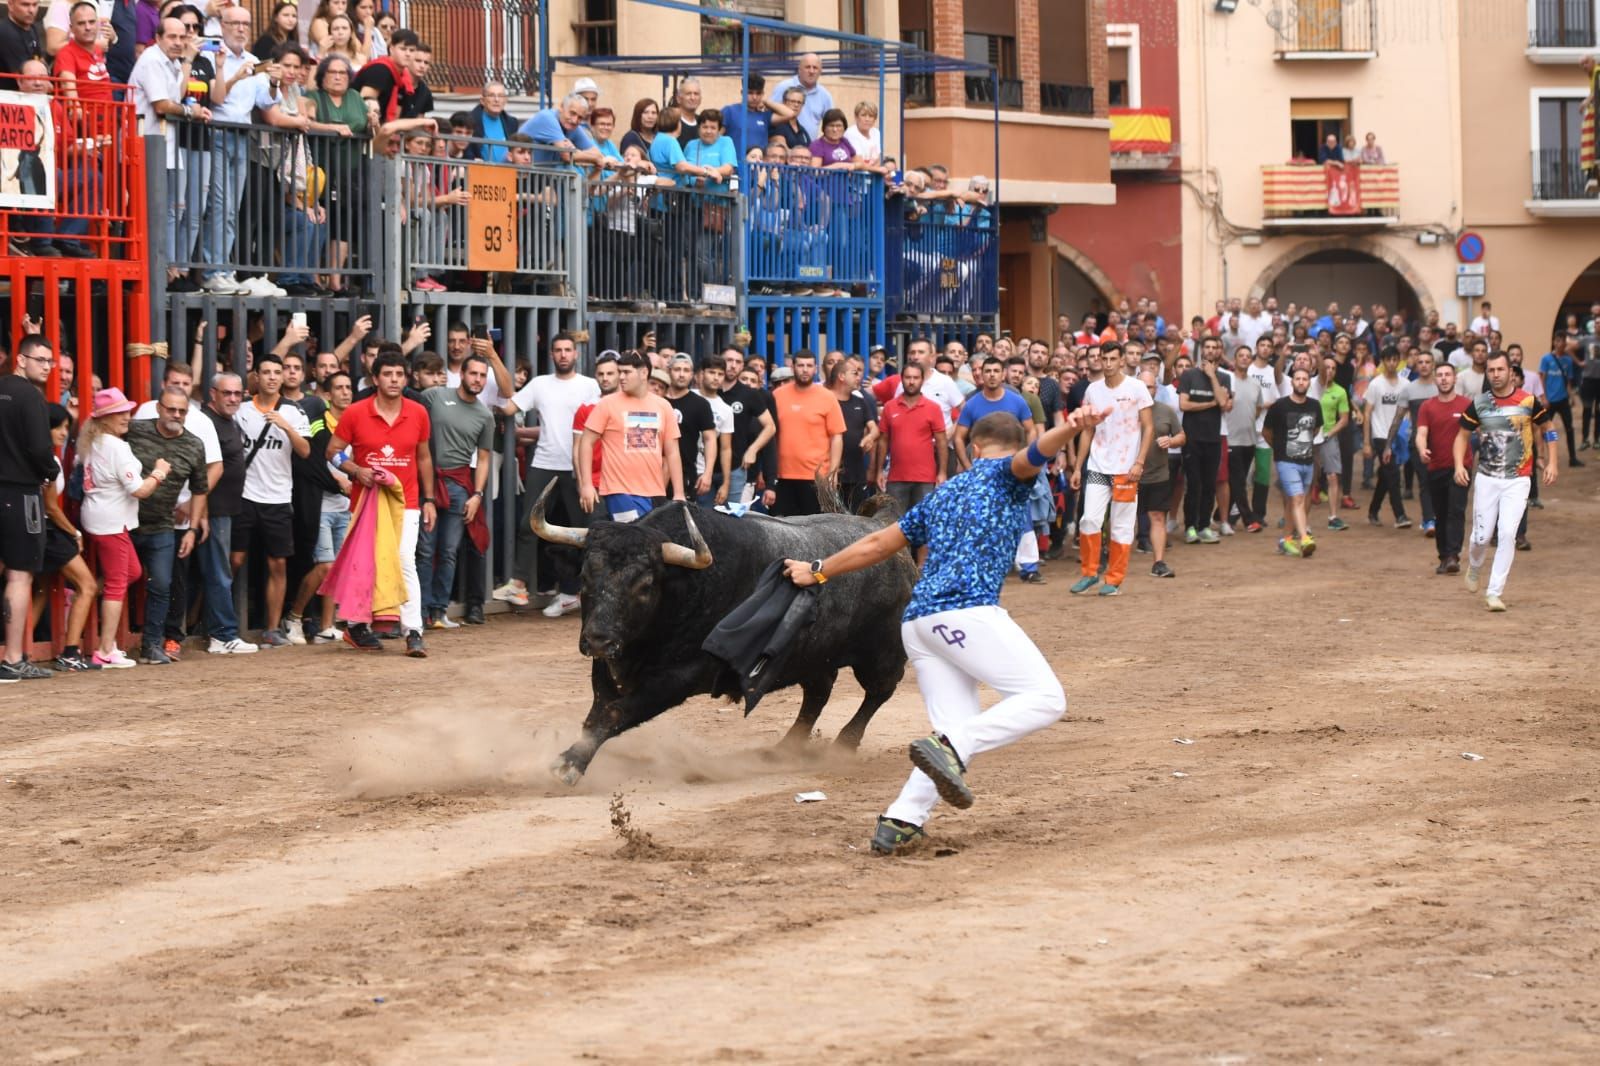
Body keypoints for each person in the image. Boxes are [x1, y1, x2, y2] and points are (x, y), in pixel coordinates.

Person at [781, 403, 1108, 855]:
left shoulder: (944, 493)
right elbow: (1033, 455)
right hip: (966, 613)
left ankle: (900, 820)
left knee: (954, 733)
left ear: (971, 448)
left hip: (918, 624)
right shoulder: (1005, 474)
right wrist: (1068, 430)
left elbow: (877, 543)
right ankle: (951, 746)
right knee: (1043, 700)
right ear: (1007, 448)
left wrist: (818, 570)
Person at [327, 349, 435, 655]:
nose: (394, 380)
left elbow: (424, 458)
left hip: (407, 502)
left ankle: (413, 630)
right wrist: (355, 470)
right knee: (365, 565)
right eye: (387, 374)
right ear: (375, 378)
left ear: (407, 378)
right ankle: (358, 627)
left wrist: (428, 499)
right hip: (366, 504)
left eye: (399, 374)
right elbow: (332, 452)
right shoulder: (355, 412)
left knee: (404, 561)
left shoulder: (418, 412)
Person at [497, 332, 598, 616]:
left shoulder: (590, 386)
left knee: (582, 532)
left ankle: (583, 590)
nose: (564, 354)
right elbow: (508, 407)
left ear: (576, 354)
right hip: (544, 462)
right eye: (558, 350)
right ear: (551, 354)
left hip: (579, 467)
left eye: (568, 349)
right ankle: (519, 584)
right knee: (529, 524)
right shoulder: (540, 384)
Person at [1456, 352, 1557, 611]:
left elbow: (1549, 428)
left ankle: (1494, 592)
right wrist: (1459, 464)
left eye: (1500, 369)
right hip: (1487, 478)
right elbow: (1462, 436)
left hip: (1518, 479)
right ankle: (1475, 566)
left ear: (1510, 371)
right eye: (1491, 371)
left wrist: (1552, 462)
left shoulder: (1528, 401)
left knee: (1508, 534)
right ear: (1487, 373)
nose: (1496, 375)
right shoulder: (1479, 403)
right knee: (1481, 536)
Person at [78, 387, 171, 669]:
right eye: (118, 413)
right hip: (111, 522)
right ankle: (105, 649)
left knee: (132, 571)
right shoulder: (117, 447)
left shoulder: (92, 442)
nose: (126, 417)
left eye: (126, 411)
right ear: (104, 418)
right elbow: (140, 490)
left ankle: (92, 593)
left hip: (98, 518)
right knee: (119, 583)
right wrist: (159, 472)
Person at [125, 385, 209, 664]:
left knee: (161, 584)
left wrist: (193, 530)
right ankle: (107, 644)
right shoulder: (134, 429)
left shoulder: (194, 444)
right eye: (171, 409)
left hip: (163, 525)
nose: (176, 414)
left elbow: (200, 489)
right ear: (158, 408)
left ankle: (151, 646)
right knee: (117, 581)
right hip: (125, 520)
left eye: (182, 411)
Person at [232, 353, 311, 645]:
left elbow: (305, 452)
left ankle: (272, 629)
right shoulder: (241, 410)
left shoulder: (293, 411)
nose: (272, 377)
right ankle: (221, 624)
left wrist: (285, 426)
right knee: (234, 559)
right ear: (256, 377)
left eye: (277, 372)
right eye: (266, 372)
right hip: (244, 495)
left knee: (278, 564)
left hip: (278, 497)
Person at [1070, 341, 1153, 596]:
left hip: (1127, 468)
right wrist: (1077, 467)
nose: (1106, 363)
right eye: (1102, 358)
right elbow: (1088, 429)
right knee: (1089, 519)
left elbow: (1148, 426)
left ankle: (1114, 579)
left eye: (1112, 359)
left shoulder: (1137, 387)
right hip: (1098, 464)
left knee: (1121, 525)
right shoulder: (1093, 391)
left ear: (1121, 360)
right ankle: (1089, 573)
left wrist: (1139, 462)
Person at [417, 354, 493, 630]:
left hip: (460, 486)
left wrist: (478, 495)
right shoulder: (434, 396)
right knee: (425, 550)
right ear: (461, 374)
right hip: (427, 482)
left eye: (483, 376)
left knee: (448, 551)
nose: (478, 380)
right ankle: (420, 611)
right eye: (473, 374)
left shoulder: (485, 415)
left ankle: (438, 612)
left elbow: (483, 459)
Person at [1, 335, 61, 682]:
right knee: (19, 574)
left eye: (50, 361)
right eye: (40, 359)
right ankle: (11, 658)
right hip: (21, 493)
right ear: (21, 360)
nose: (47, 367)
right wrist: (49, 471)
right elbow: (41, 450)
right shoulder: (32, 399)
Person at [286, 367, 353, 642]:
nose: (346, 393)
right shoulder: (317, 422)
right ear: (326, 395)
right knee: (325, 566)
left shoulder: (354, 423)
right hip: (320, 507)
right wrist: (338, 482)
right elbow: (311, 462)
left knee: (336, 567)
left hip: (345, 508)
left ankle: (327, 626)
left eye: (349, 387)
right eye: (339, 388)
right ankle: (294, 618)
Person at [576, 350, 683, 521]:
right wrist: (586, 485)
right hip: (619, 491)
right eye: (620, 372)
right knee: (633, 540)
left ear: (643, 373)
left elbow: (672, 452)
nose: (621, 377)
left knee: (647, 544)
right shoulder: (607, 404)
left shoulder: (664, 406)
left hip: (655, 491)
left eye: (626, 372)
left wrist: (679, 493)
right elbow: (586, 443)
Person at [198, 373, 257, 654]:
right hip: (213, 510)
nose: (233, 398)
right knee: (219, 572)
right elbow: (200, 469)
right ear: (213, 394)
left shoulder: (226, 420)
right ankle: (222, 634)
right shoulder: (206, 421)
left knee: (219, 570)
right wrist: (203, 511)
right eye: (227, 393)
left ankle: (218, 631)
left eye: (237, 394)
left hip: (226, 509)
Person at [769, 350, 845, 516]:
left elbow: (837, 437)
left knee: (815, 529)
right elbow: (769, 435)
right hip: (782, 476)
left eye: (809, 365)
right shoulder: (777, 395)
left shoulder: (827, 397)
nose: (805, 369)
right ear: (793, 367)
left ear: (816, 369)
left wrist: (833, 473)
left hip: (816, 478)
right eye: (801, 365)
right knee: (783, 529)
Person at [1414, 362, 1470, 576]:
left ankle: (1453, 555)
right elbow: (1421, 433)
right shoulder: (1427, 407)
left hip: (1461, 467)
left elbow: (1479, 430)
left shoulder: (1466, 405)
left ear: (1455, 378)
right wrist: (1422, 449)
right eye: (1440, 375)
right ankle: (1443, 555)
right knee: (1441, 513)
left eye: (1448, 375)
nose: (1444, 378)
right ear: (1435, 380)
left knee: (1456, 510)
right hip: (1435, 466)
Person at [874, 361, 947, 514]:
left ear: (922, 380)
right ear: (901, 379)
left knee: (923, 522)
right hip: (896, 477)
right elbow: (883, 440)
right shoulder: (890, 406)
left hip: (926, 478)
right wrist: (879, 470)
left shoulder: (933, 408)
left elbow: (942, 442)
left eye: (916, 377)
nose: (912, 381)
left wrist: (942, 472)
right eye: (908, 377)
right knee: (893, 522)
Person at [1177, 337, 1232, 543]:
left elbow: (1224, 403)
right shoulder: (1189, 375)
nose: (1210, 350)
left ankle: (1204, 526)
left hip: (1213, 439)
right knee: (1194, 484)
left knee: (1210, 484)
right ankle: (1190, 527)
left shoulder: (1224, 378)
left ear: (1219, 351)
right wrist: (1211, 403)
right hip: (1191, 438)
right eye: (1207, 347)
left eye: (1214, 347)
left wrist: (1212, 377)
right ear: (1201, 350)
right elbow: (1184, 405)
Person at [1263, 366, 1321, 559]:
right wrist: (1279, 450)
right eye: (1298, 379)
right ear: (1292, 382)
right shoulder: (1280, 406)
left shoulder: (1315, 405)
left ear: (1309, 382)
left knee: (1294, 501)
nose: (1301, 382)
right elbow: (1267, 432)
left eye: (1305, 379)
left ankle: (1286, 540)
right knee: (1297, 499)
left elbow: (1316, 429)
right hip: (1286, 461)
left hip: (1307, 460)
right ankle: (1304, 537)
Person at [1137, 369, 1183, 579]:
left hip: (1158, 473)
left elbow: (1182, 436)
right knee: (1121, 520)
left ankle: (1158, 562)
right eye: (1143, 386)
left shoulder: (1166, 410)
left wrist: (1171, 441)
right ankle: (1111, 560)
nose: (1147, 390)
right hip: (1128, 474)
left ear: (1156, 388)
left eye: (1151, 386)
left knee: (1157, 517)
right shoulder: (1124, 410)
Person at [1362, 347, 1411, 529]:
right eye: (1388, 360)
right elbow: (1367, 413)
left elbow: (1408, 411)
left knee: (1385, 475)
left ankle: (1373, 511)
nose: (1392, 363)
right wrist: (1367, 442)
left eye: (1395, 359)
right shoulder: (1376, 384)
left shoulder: (1405, 384)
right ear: (1383, 361)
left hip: (1398, 435)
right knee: (1393, 474)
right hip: (1381, 435)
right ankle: (1400, 515)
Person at [1317, 354, 1351, 531]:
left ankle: (1333, 517)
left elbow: (1344, 419)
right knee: (1304, 477)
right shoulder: (1310, 385)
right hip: (1307, 437)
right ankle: (1290, 515)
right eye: (1326, 367)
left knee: (1332, 476)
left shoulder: (1340, 391)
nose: (1329, 371)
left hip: (1328, 436)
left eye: (1333, 368)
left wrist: (1329, 433)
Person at [1538, 333, 1583, 467]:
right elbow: (1542, 379)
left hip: (1563, 399)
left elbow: (1568, 381)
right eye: (1558, 341)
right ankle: (1547, 456)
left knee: (1569, 428)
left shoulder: (1568, 360)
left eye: (1563, 341)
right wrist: (1544, 397)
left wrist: (1572, 396)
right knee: (1546, 430)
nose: (1560, 344)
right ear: (1554, 342)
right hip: (1550, 401)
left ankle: (1572, 458)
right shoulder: (1546, 359)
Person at [769, 52, 832, 140]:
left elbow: (831, 124)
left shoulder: (825, 95)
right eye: (807, 67)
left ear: (820, 71)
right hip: (784, 147)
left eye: (815, 68)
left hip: (809, 148)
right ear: (799, 69)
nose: (811, 71)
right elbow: (769, 115)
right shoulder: (783, 87)